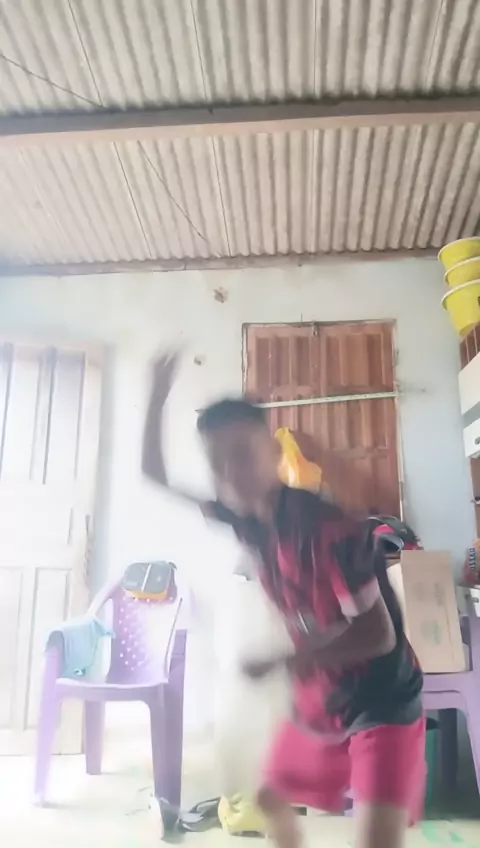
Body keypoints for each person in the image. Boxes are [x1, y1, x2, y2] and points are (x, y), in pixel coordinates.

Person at [142, 354, 425, 848]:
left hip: (382, 696)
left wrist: (286, 660)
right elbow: (154, 475)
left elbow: (378, 635)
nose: (230, 472)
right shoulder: (246, 518)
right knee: (271, 800)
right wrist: (157, 396)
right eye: (217, 462)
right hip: (325, 694)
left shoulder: (326, 530)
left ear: (274, 453)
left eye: (242, 454)